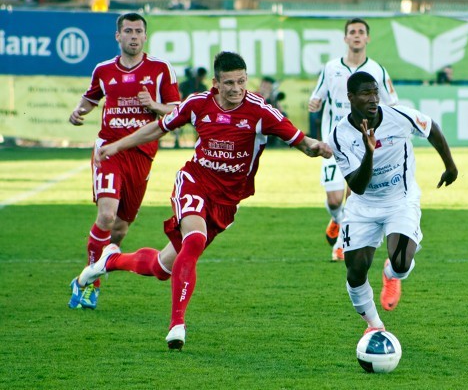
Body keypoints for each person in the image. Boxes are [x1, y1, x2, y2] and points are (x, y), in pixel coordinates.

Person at [68, 51, 332, 351]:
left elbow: (300, 140)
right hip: (194, 182)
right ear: (216, 84)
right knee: (194, 239)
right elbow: (158, 127)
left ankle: (109, 260)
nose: (236, 88)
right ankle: (176, 325)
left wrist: (316, 146)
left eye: (242, 81)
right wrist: (117, 145)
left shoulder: (260, 111)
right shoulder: (197, 104)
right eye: (229, 83)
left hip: (226, 202)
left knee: (159, 268)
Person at [329, 71, 458, 335]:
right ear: (351, 97)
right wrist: (369, 151)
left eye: (375, 91)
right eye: (365, 93)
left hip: (400, 200)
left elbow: (430, 127)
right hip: (363, 205)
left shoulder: (399, 116)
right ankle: (375, 326)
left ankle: (391, 275)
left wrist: (450, 165)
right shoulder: (339, 135)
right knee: (355, 271)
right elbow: (358, 186)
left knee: (400, 262)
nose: (373, 98)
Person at [67, 12, 180, 310]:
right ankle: (91, 286)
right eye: (127, 31)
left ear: (145, 36)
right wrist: (80, 111)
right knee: (106, 217)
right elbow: (91, 97)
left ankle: (86, 275)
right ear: (117, 36)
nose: (133, 36)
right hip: (109, 150)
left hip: (142, 154)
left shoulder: (160, 69)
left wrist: (153, 105)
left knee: (119, 230)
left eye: (138, 31)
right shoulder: (103, 70)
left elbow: (177, 110)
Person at [308, 18, 399, 262]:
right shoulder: (330, 68)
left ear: (367, 38)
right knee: (334, 199)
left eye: (361, 32)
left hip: (362, 144)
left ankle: (340, 244)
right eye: (352, 32)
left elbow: (392, 103)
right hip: (333, 141)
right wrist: (314, 103)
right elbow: (317, 97)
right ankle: (337, 220)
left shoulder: (377, 70)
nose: (357, 36)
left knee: (353, 195)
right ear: (345, 38)